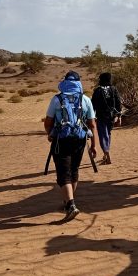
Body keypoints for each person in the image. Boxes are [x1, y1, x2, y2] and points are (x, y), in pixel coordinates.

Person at [44, 71, 98, 221]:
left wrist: (50, 134)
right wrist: (93, 145)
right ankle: (68, 201)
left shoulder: (56, 99)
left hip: (61, 140)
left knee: (63, 172)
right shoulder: (85, 99)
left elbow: (48, 122)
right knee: (73, 170)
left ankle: (70, 204)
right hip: (80, 140)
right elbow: (92, 124)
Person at [91, 72, 122, 165]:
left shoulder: (98, 90)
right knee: (108, 134)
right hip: (111, 116)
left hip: (101, 116)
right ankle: (106, 153)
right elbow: (118, 102)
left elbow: (93, 105)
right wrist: (119, 116)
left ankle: (106, 152)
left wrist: (91, 117)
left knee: (103, 135)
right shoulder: (114, 89)